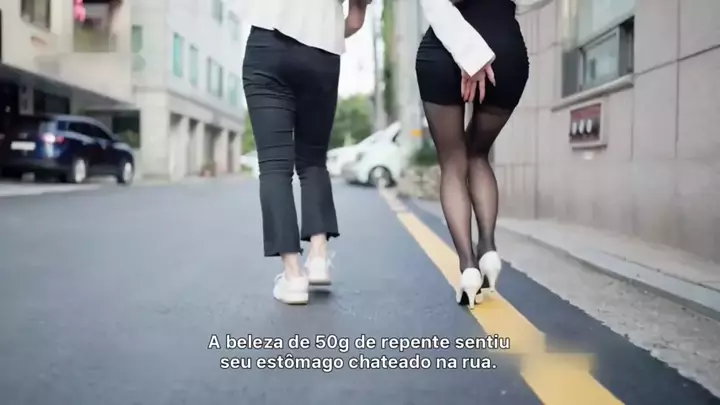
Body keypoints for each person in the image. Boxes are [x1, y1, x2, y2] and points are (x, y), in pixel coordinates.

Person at [242, 0, 370, 305]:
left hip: (268, 44)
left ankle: (294, 275)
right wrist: (319, 31)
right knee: (313, 159)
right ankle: (319, 256)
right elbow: (355, 20)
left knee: (274, 166)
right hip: (322, 55)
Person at [416, 0, 529, 308]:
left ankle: (468, 267)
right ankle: (488, 249)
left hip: (443, 49)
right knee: (478, 154)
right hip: (505, 48)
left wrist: (470, 54)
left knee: (453, 163)